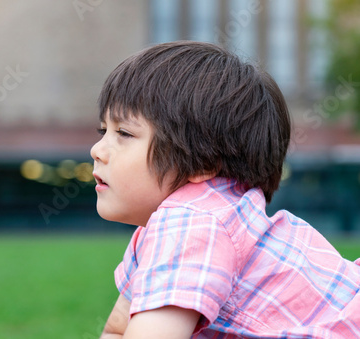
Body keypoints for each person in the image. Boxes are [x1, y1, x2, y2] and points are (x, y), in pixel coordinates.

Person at [90, 41, 360, 338]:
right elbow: (117, 329)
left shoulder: (190, 222)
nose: (97, 150)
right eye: (104, 131)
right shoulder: (170, 226)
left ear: (202, 164)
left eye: (124, 133)